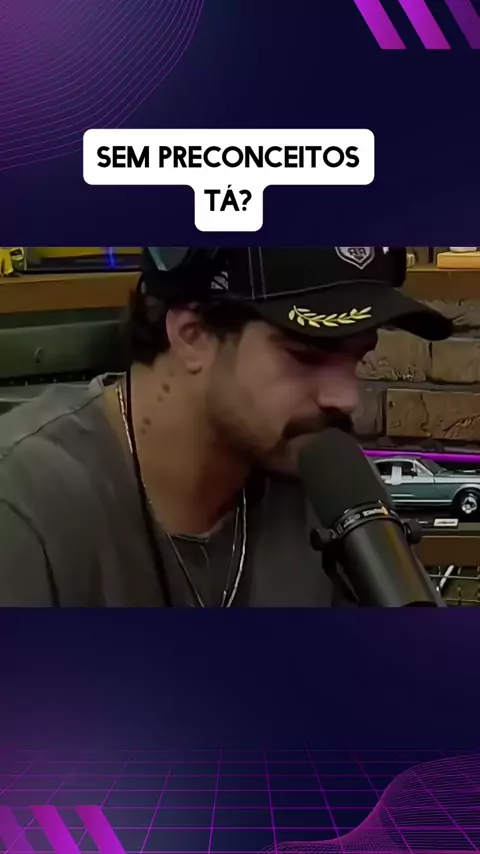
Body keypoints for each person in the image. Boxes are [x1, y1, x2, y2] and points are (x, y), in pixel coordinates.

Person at [0, 247, 452, 607]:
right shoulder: (25, 507)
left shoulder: (323, 474)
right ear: (192, 336)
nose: (347, 397)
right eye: (306, 355)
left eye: (358, 355)